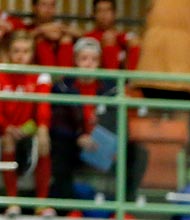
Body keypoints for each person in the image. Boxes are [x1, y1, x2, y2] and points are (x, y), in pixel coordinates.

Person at [48, 36, 149, 206]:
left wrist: (116, 143)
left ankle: (124, 206)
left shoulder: (111, 89)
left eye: (94, 60)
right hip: (75, 144)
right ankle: (68, 208)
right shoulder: (62, 87)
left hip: (103, 145)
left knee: (138, 153)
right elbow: (58, 123)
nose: (88, 64)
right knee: (60, 149)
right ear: (75, 61)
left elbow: (119, 122)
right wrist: (78, 137)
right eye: (84, 59)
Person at [1, 29, 54, 218]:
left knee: (44, 141)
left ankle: (41, 204)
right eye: (16, 51)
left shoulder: (40, 75)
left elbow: (42, 105)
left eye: (25, 51)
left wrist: (41, 127)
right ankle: (12, 202)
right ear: (8, 52)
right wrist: (6, 127)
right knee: (7, 140)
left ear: (32, 53)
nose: (21, 56)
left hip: (29, 129)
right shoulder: (1, 73)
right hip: (4, 131)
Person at [83, 0, 136, 71]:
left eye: (108, 10)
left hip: (124, 77)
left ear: (115, 14)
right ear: (94, 14)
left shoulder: (123, 36)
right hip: (97, 78)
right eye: (100, 11)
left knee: (135, 42)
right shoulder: (88, 37)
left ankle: (134, 80)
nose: (104, 14)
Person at [23, 0, 73, 68]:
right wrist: (40, 30)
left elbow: (84, 35)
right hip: (36, 73)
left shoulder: (61, 29)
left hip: (64, 74)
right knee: (40, 39)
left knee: (66, 38)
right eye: (44, 4)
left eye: (52, 5)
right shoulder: (26, 28)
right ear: (34, 7)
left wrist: (64, 30)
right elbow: (18, 38)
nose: (48, 9)